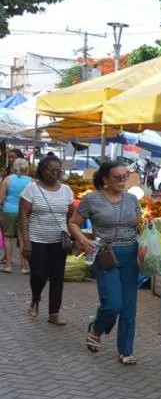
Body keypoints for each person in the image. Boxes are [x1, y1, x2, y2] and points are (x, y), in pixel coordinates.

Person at [69, 161, 143, 365]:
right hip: (105, 255)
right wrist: (82, 240)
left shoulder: (132, 200)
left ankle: (126, 351)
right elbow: (73, 223)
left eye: (125, 177)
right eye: (117, 177)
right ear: (105, 180)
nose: (122, 181)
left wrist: (148, 233)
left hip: (130, 255)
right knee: (112, 304)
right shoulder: (91, 200)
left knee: (128, 306)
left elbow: (138, 226)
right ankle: (96, 328)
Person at [18, 154, 74, 323]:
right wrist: (26, 241)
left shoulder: (66, 190)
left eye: (59, 171)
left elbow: (71, 216)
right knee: (39, 275)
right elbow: (23, 216)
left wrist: (73, 236)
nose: (56, 174)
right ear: (42, 171)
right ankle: (35, 298)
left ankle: (54, 313)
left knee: (57, 277)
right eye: (52, 171)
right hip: (37, 239)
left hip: (58, 241)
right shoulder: (31, 189)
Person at [0, 158, 32, 273]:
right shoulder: (31, 181)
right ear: (27, 168)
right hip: (25, 212)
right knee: (23, 238)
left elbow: (0, 198)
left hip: (9, 210)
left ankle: (8, 265)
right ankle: (24, 267)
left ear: (14, 167)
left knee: (8, 237)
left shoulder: (7, 179)